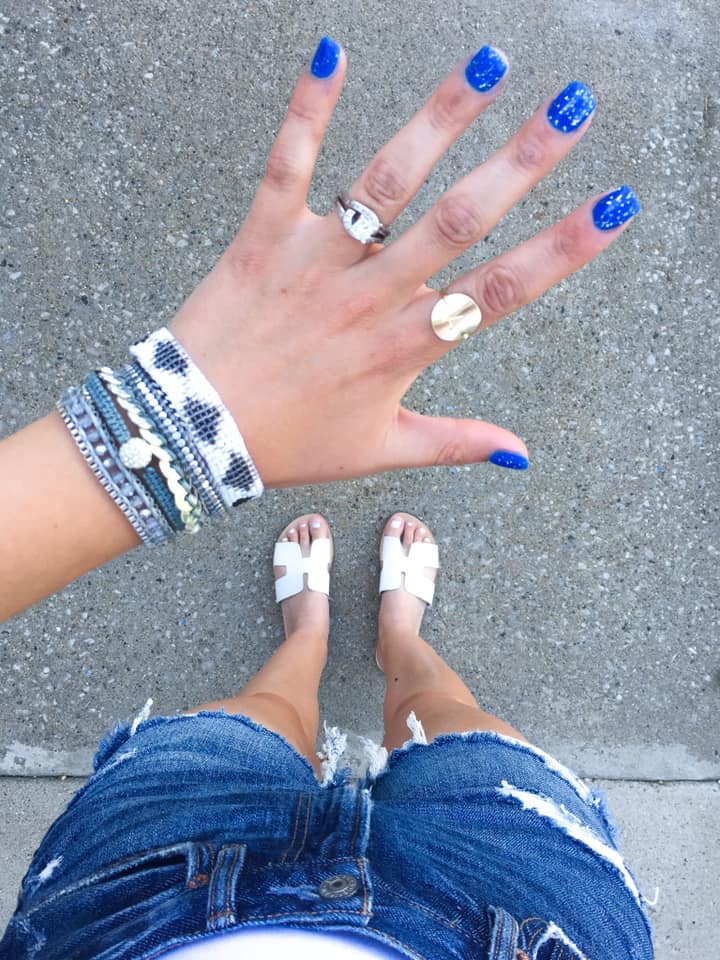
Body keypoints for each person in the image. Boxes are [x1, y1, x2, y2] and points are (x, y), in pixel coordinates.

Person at [0, 35, 651, 960]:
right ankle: (396, 642)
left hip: (129, 908)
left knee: (257, 724)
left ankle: (316, 643)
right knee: (456, 728)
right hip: (516, 917)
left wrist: (176, 429)